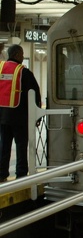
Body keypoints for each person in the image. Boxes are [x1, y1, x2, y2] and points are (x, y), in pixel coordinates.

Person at [0, 45, 41, 182]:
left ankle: (1, 174)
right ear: (17, 55)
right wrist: (37, 115)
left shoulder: (0, 69)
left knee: (4, 146)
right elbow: (35, 94)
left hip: (2, 117)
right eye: (22, 54)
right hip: (20, 118)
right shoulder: (24, 72)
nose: (23, 57)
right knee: (21, 146)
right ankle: (21, 175)